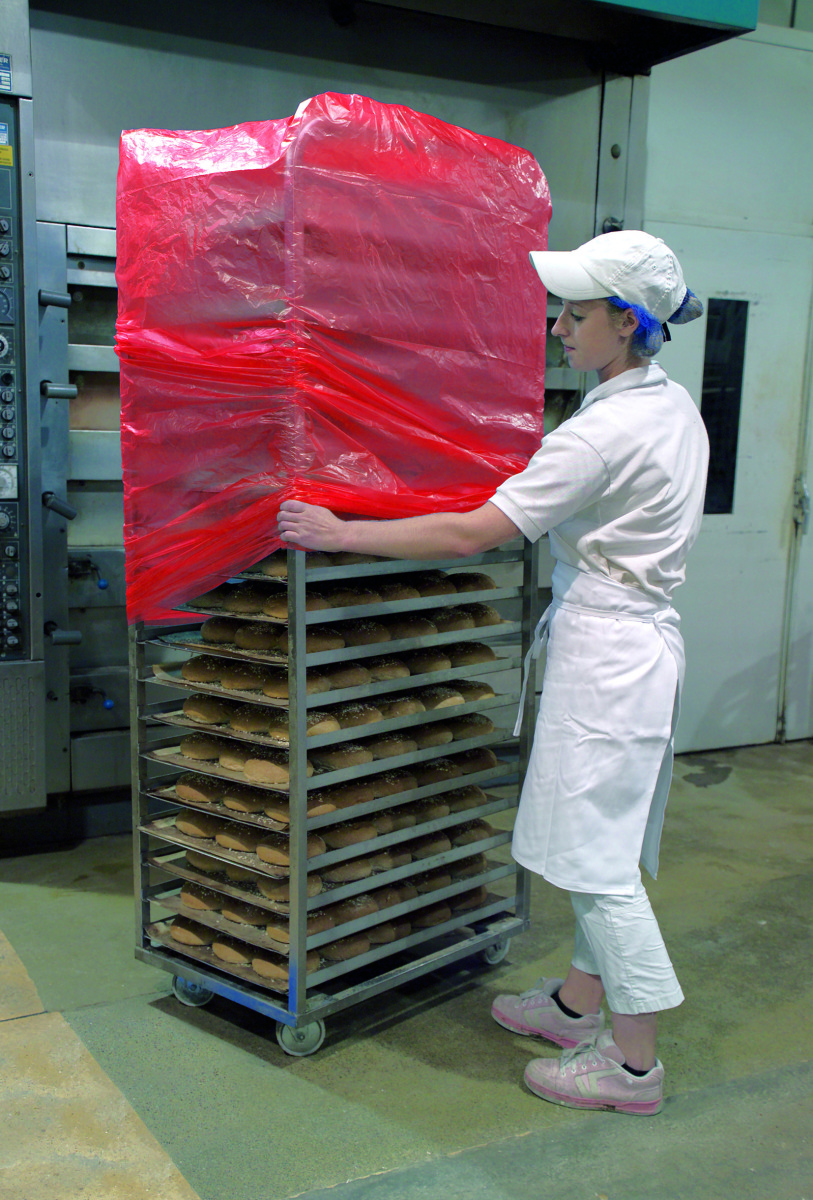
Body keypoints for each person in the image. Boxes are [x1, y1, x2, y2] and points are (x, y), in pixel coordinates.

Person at [278, 229, 708, 1117]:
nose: (557, 327)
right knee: (603, 843)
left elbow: (475, 532)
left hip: (609, 658)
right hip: (635, 647)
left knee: (595, 867)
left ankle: (632, 1067)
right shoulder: (670, 406)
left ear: (626, 323)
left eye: (575, 314)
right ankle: (573, 1007)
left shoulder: (604, 433)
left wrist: (340, 531)